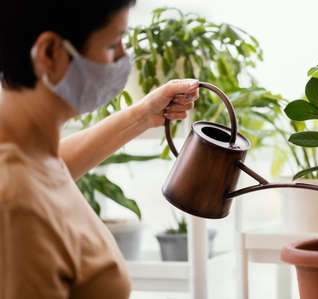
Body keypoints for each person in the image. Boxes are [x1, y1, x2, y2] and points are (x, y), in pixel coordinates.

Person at [0, 1, 199, 298]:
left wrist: (143, 116)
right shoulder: (17, 205)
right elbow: (28, 194)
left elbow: (51, 173)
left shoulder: (33, 158)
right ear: (50, 53)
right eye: (112, 44)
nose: (123, 58)